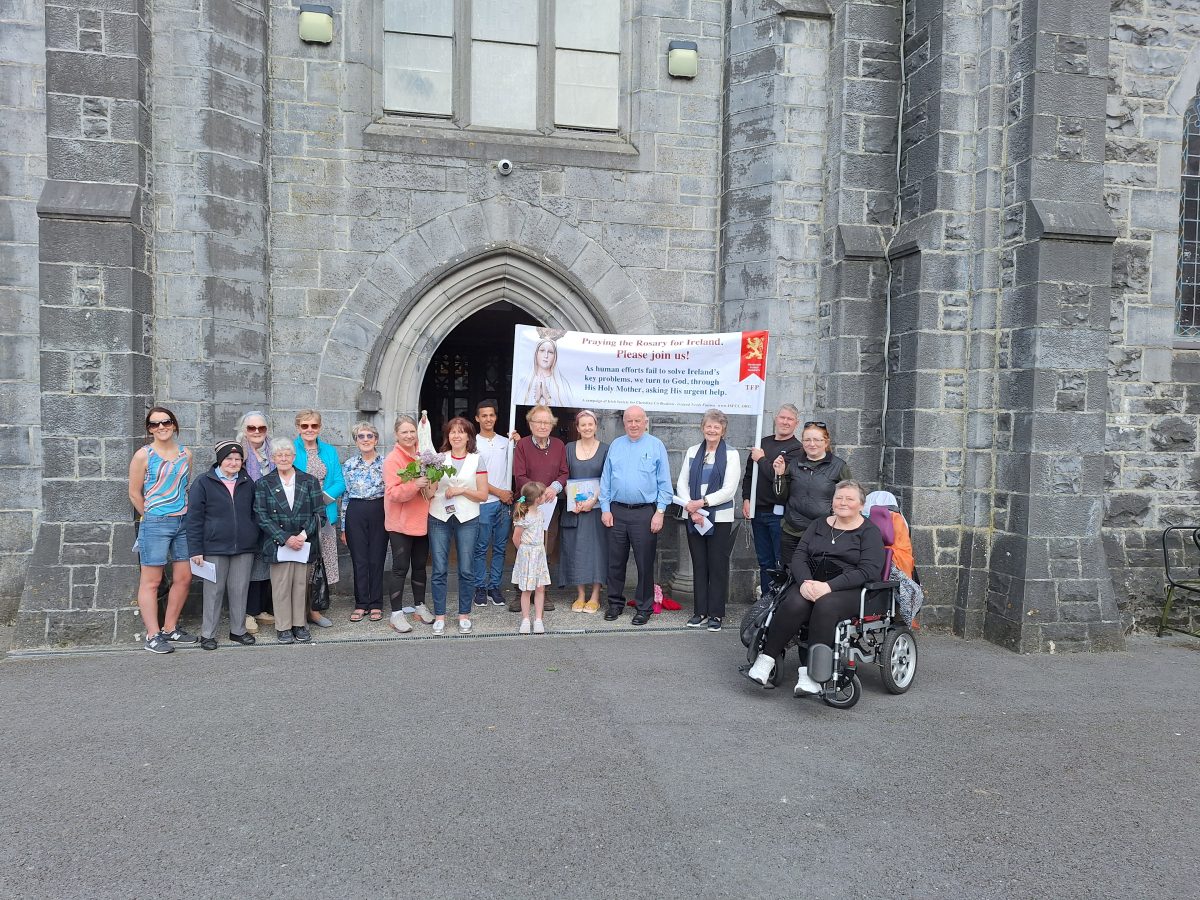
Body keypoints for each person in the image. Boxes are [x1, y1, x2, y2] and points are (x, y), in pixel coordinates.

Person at [747, 481, 885, 694]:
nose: (843, 502)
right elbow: (799, 556)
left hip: (849, 588)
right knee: (794, 601)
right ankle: (766, 660)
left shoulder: (869, 532)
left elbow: (869, 571)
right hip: (812, 581)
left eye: (849, 499)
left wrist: (829, 587)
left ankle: (811, 675)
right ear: (832, 501)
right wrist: (804, 582)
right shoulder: (819, 524)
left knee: (825, 605)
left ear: (861, 505)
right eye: (839, 498)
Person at [128, 405, 196, 653]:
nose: (161, 427)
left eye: (166, 422)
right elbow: (134, 493)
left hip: (183, 521)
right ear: (149, 429)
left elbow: (184, 486)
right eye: (154, 424)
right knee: (152, 581)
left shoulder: (186, 454)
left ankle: (170, 628)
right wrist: (151, 516)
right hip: (156, 522)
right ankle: (153, 635)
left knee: (184, 578)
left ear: (174, 425)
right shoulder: (143, 455)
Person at [599, 405, 672, 626]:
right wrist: (605, 508)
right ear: (624, 423)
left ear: (645, 422)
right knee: (615, 561)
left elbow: (665, 483)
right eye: (629, 420)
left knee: (644, 562)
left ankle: (644, 607)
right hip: (617, 511)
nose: (633, 424)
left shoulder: (656, 445)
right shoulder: (616, 445)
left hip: (645, 513)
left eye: (637, 420)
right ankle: (614, 604)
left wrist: (660, 512)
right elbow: (606, 479)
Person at [186, 441, 260, 650]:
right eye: (229, 458)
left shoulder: (247, 482)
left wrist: (253, 535)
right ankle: (208, 634)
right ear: (220, 460)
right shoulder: (203, 482)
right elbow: (194, 519)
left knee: (240, 589)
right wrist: (195, 549)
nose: (233, 463)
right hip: (214, 547)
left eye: (238, 459)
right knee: (213, 591)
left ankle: (238, 631)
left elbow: (255, 512)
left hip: (243, 547)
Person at [676, 409, 740, 632]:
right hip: (693, 516)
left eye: (716, 427)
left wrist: (701, 503)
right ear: (702, 428)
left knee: (717, 565)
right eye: (708, 426)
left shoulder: (731, 454)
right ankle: (700, 612)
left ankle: (716, 614)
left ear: (723, 430)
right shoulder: (693, 451)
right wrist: (691, 508)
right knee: (699, 564)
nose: (712, 430)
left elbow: (729, 490)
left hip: (719, 518)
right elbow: (682, 483)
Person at [253, 443, 325, 643]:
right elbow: (261, 515)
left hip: (303, 542)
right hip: (278, 542)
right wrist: (285, 537)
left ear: (293, 457)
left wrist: (302, 535)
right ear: (273, 458)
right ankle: (283, 627)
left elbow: (319, 513)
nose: (283, 458)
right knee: (281, 586)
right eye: (279, 455)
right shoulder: (263, 483)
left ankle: (299, 624)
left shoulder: (309, 480)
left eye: (287, 455)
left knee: (301, 585)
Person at [427, 417, 489, 635]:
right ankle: (440, 616)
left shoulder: (477, 460)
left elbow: (483, 495)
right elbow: (430, 492)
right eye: (452, 432)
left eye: (461, 432)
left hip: (468, 517)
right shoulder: (439, 459)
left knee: (466, 568)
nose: (456, 435)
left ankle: (464, 615)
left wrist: (462, 490)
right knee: (439, 569)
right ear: (448, 436)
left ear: (469, 436)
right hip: (439, 516)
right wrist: (424, 477)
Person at [510, 404, 568, 612]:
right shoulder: (523, 445)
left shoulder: (559, 445)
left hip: (549, 504)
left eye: (546, 422)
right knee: (523, 545)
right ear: (530, 424)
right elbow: (519, 475)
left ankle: (543, 590)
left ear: (552, 425)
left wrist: (554, 488)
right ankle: (521, 592)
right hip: (526, 504)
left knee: (546, 545)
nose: (542, 426)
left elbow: (564, 472)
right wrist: (538, 494)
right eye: (538, 422)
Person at [773, 421, 851, 573]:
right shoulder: (794, 464)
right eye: (807, 440)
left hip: (823, 533)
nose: (812, 444)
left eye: (817, 440)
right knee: (791, 574)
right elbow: (780, 496)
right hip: (792, 531)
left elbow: (849, 499)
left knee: (817, 575)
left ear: (826, 442)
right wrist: (779, 475)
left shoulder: (839, 466)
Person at [741, 403, 803, 597]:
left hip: (779, 515)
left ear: (796, 423)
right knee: (764, 561)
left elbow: (776, 476)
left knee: (780, 562)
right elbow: (749, 475)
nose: (785, 422)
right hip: (758, 512)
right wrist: (746, 498)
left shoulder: (796, 449)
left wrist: (761, 459)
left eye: (790, 419)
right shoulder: (762, 443)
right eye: (782, 417)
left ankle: (780, 601)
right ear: (775, 418)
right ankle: (766, 600)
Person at [292, 409, 345, 628]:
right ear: (298, 428)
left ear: (320, 428)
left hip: (324, 515)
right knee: (301, 565)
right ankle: (297, 613)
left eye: (314, 425)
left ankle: (314, 611)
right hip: (299, 515)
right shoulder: (291, 449)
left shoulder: (329, 451)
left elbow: (340, 482)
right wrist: (308, 502)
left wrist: (319, 500)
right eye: (305, 426)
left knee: (319, 566)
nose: (309, 429)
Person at [382, 414, 435, 633]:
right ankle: (396, 614)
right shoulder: (392, 460)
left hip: (421, 521)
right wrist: (415, 485)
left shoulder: (424, 456)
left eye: (412, 431)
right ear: (396, 434)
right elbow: (393, 493)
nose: (409, 435)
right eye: (404, 432)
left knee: (420, 567)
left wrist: (431, 483)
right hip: (400, 524)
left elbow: (432, 487)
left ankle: (419, 606)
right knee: (400, 569)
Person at [561, 410, 608, 614]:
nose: (587, 428)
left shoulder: (606, 449)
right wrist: (571, 498)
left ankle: (595, 595)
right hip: (575, 509)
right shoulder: (568, 448)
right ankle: (580, 595)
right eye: (583, 425)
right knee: (576, 549)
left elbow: (608, 478)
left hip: (596, 509)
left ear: (596, 426)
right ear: (577, 428)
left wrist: (593, 500)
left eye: (590, 424)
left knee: (598, 551)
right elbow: (564, 475)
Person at [341, 421, 387, 623]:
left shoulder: (386, 463)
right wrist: (343, 527)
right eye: (361, 436)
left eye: (370, 436)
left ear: (376, 440)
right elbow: (344, 496)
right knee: (359, 559)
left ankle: (376, 603)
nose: (366, 440)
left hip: (379, 509)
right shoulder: (349, 465)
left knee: (377, 558)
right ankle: (361, 603)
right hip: (356, 510)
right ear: (356, 440)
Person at [472, 400, 513, 609]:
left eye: (492, 415)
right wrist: (499, 493)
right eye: (484, 415)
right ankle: (479, 587)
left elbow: (515, 465)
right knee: (480, 548)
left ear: (496, 417)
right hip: (484, 503)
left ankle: (494, 586)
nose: (488, 419)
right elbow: (474, 477)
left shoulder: (506, 442)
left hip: (504, 506)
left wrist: (518, 442)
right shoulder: (472, 444)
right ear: (477, 418)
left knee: (500, 548)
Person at [238, 410, 276, 635]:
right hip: (247, 515)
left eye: (261, 428)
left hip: (270, 514)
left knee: (265, 562)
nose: (256, 432)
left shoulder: (273, 450)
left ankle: (261, 608)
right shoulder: (238, 452)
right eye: (251, 428)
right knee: (248, 565)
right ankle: (247, 612)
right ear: (244, 430)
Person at [511, 481, 552, 634]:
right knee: (526, 589)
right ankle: (526, 619)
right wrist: (523, 552)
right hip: (527, 555)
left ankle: (539, 619)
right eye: (543, 495)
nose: (545, 497)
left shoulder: (540, 513)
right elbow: (516, 538)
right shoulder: (523, 515)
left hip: (539, 554)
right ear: (537, 499)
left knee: (540, 588)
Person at [515, 337, 575, 407]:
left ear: (555, 357)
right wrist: (536, 398)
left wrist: (547, 397)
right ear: (536, 353)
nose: (546, 355)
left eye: (550, 352)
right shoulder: (524, 381)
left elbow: (568, 407)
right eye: (542, 350)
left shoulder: (563, 383)